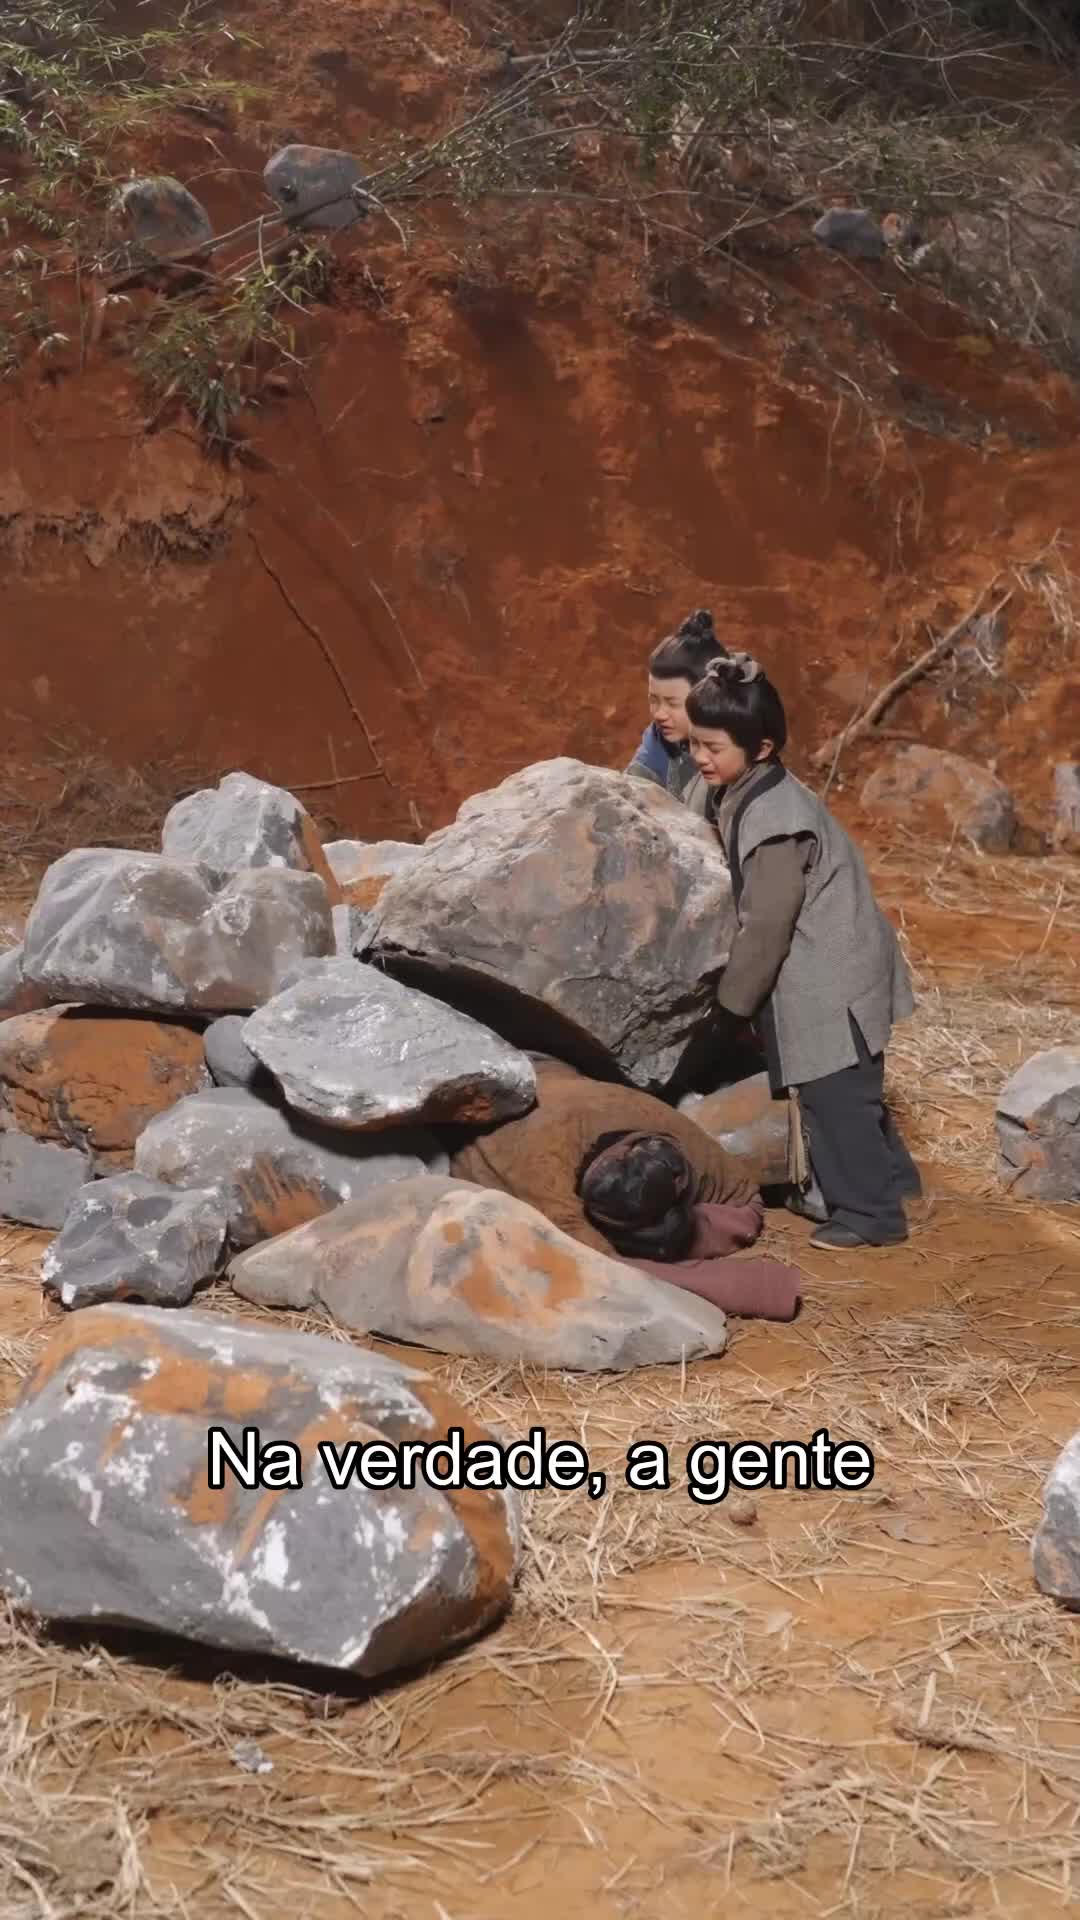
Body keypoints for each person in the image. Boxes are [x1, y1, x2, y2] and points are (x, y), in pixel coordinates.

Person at [685, 653, 920, 1252]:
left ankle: (872, 1215)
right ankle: (897, 1182)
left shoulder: (777, 820)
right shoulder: (740, 787)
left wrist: (731, 1007)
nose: (699, 758)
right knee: (852, 1091)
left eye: (712, 748)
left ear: (761, 748)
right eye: (694, 744)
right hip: (828, 962)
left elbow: (767, 928)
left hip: (834, 972)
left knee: (834, 1095)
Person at [450, 1058, 803, 1321]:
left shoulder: (663, 1126)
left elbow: (746, 1201)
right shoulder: (547, 1182)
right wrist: (754, 1288)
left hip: (552, 1071)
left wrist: (680, 1232)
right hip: (482, 1091)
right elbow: (609, 1270)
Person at [625, 609, 727, 812]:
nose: (659, 714)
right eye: (654, 700)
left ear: (710, 699)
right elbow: (631, 789)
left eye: (672, 704)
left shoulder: (738, 752)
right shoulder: (659, 738)